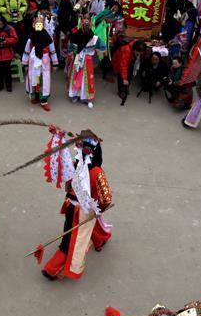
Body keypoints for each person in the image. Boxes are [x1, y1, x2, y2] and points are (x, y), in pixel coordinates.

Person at [42, 138, 112, 280]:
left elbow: (67, 187)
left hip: (72, 207)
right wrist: (99, 209)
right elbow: (106, 198)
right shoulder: (96, 171)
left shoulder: (74, 165)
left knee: (77, 236)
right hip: (84, 212)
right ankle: (52, 269)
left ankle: (100, 240)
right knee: (75, 238)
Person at [21, 16, 59, 110]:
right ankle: (35, 96)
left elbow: (53, 51)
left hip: (44, 62)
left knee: (43, 80)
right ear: (34, 25)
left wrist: (55, 63)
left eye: (40, 24)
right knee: (33, 79)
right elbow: (26, 52)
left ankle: (43, 100)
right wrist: (25, 64)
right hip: (33, 62)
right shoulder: (30, 38)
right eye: (37, 24)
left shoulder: (48, 37)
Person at [111, 40, 143, 106]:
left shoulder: (136, 45)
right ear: (134, 49)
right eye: (138, 53)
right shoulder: (127, 51)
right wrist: (124, 78)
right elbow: (123, 66)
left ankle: (125, 87)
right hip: (119, 62)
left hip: (127, 61)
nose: (139, 54)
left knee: (129, 74)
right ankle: (121, 91)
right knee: (121, 76)